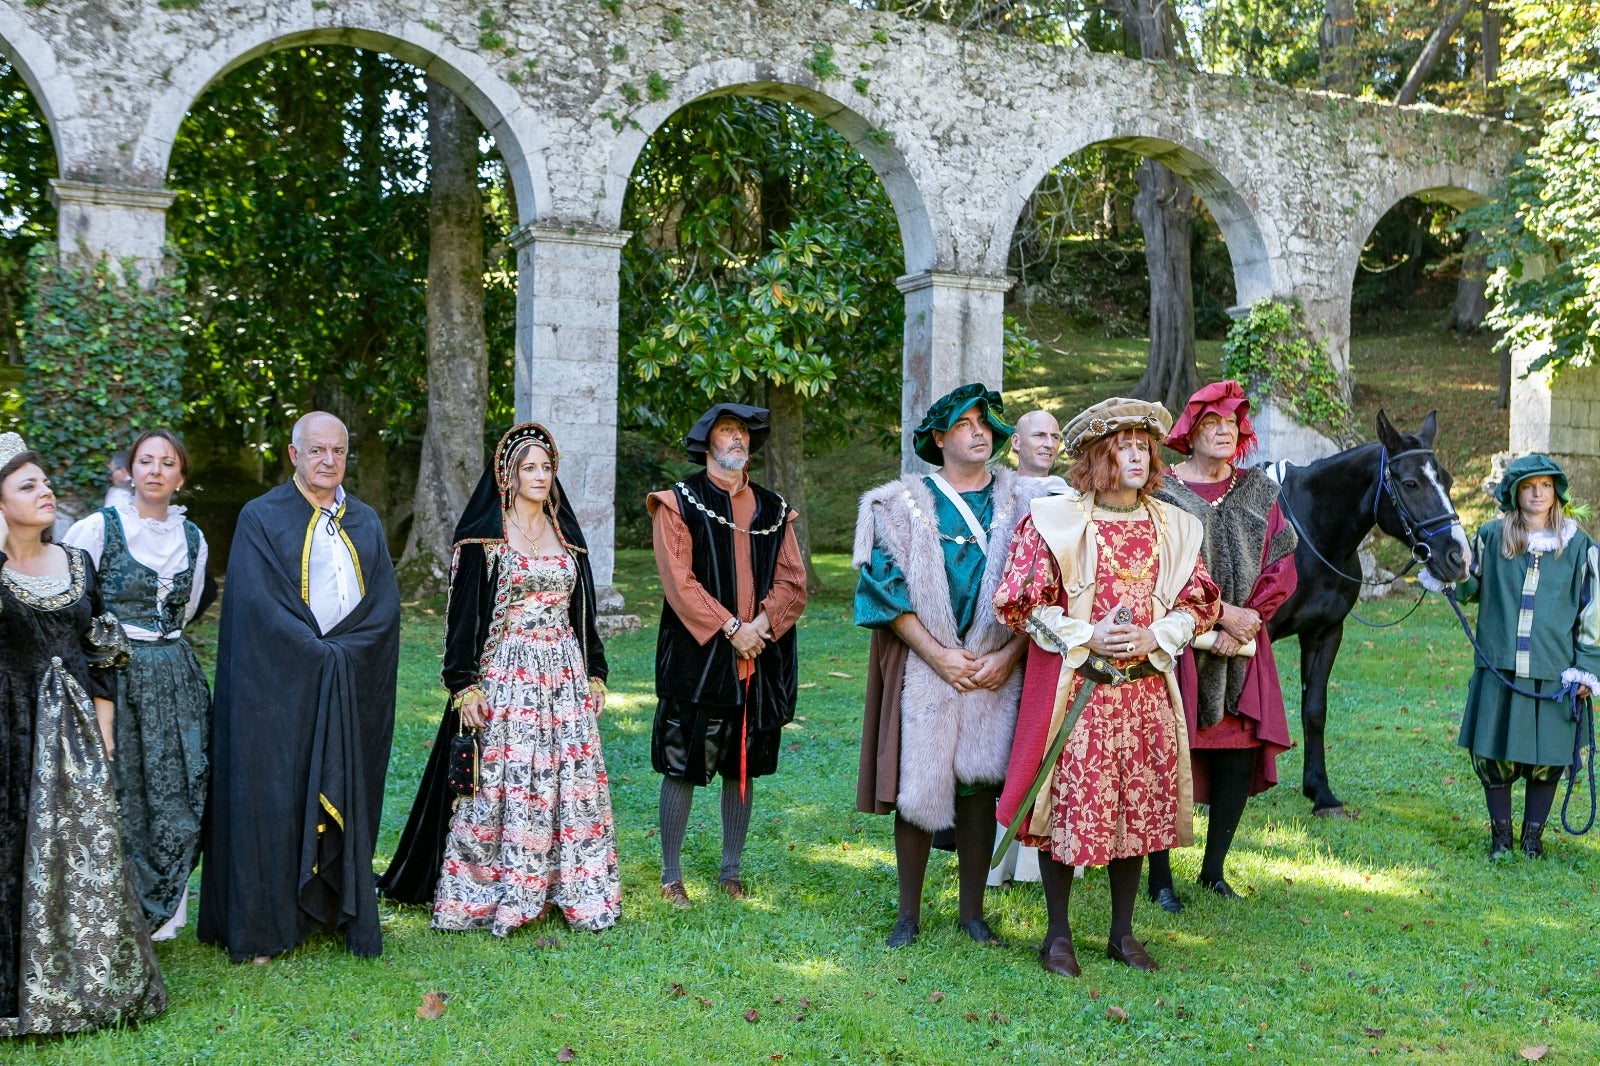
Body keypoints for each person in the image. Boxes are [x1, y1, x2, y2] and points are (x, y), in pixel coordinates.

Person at [993, 398, 1220, 975]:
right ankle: (1058, 937)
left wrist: (1157, 635)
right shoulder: (1058, 519)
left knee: (1136, 813)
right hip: (1081, 691)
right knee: (1068, 807)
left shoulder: (1175, 524)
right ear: (1097, 457)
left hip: (1145, 692)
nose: (1138, 456)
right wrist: (1088, 633)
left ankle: (1122, 934)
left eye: (1143, 446)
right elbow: (1019, 602)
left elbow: (1200, 603)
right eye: (1123, 446)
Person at [379, 423, 619, 933]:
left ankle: (565, 884)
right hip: (507, 673)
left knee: (564, 781)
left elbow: (584, 614)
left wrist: (595, 673)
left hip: (563, 675)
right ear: (507, 475)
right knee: (504, 782)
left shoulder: (567, 537)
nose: (538, 475)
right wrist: (463, 684)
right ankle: (499, 888)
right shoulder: (483, 539)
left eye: (546, 467)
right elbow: (462, 619)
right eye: (528, 467)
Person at [198, 412, 400, 963]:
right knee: (276, 794)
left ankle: (336, 909)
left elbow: (383, 605)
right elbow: (258, 604)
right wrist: (317, 656)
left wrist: (344, 656)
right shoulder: (261, 518)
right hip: (278, 683)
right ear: (294, 455)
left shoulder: (365, 521)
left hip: (349, 680)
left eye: (338, 450)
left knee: (345, 784)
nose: (328, 461)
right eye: (316, 451)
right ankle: (268, 926)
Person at [854, 382, 1044, 949]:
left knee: (979, 785)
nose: (978, 432)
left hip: (995, 660)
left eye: (985, 423)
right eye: (964, 424)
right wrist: (937, 656)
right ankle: (907, 915)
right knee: (920, 780)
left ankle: (972, 913)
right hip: (924, 664)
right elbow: (881, 593)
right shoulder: (896, 506)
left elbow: (1044, 591)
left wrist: (1008, 657)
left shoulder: (1028, 508)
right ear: (939, 438)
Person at [0, 432, 165, 1036]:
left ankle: (94, 985)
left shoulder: (75, 562)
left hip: (72, 737)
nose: (45, 492)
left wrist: (105, 730)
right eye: (27, 486)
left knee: (85, 853)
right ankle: (16, 997)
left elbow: (99, 653)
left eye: (44, 483)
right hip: (11, 733)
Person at [1143, 381, 1295, 911]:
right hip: (1179, 641)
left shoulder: (1259, 491)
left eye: (1233, 424)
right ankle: (1158, 878)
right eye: (1212, 423)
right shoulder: (1163, 492)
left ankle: (1213, 870)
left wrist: (1248, 619)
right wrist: (1217, 615)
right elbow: (1155, 569)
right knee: (1168, 751)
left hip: (1245, 645)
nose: (1224, 431)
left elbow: (1280, 564)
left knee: (1236, 752)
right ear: (1191, 433)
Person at [648, 403, 808, 906]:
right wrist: (730, 627)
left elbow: (793, 579)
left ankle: (730, 871)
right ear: (707, 441)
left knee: (743, 761)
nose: (738, 439)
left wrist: (761, 625)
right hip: (699, 659)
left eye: (743, 432)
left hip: (759, 657)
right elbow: (679, 580)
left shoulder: (771, 507)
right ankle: (671, 875)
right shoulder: (679, 502)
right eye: (727, 431)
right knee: (685, 761)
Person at [64, 429, 211, 941]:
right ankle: (113, 907)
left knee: (180, 787)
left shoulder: (192, 538)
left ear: (180, 477)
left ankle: (167, 910)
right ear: (129, 471)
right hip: (114, 674)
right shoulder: (96, 529)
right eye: (144, 461)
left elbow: (188, 608)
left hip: (174, 674)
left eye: (167, 463)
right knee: (122, 787)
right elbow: (72, 603)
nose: (155, 470)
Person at [1440, 454, 1598, 860]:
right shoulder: (1492, 537)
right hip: (1500, 666)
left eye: (1545, 486)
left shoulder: (1577, 545)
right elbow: (1467, 587)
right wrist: (1445, 567)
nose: (1537, 494)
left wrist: (1586, 668)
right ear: (1515, 493)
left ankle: (1532, 840)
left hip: (1554, 669)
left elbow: (1592, 610)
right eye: (1529, 487)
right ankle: (1500, 838)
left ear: (1556, 492)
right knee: (1494, 754)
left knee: (1548, 757)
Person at [1011, 409, 1067, 493]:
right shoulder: (994, 495)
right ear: (1016, 442)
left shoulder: (1067, 495)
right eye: (1039, 435)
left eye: (1055, 437)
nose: (1050, 444)